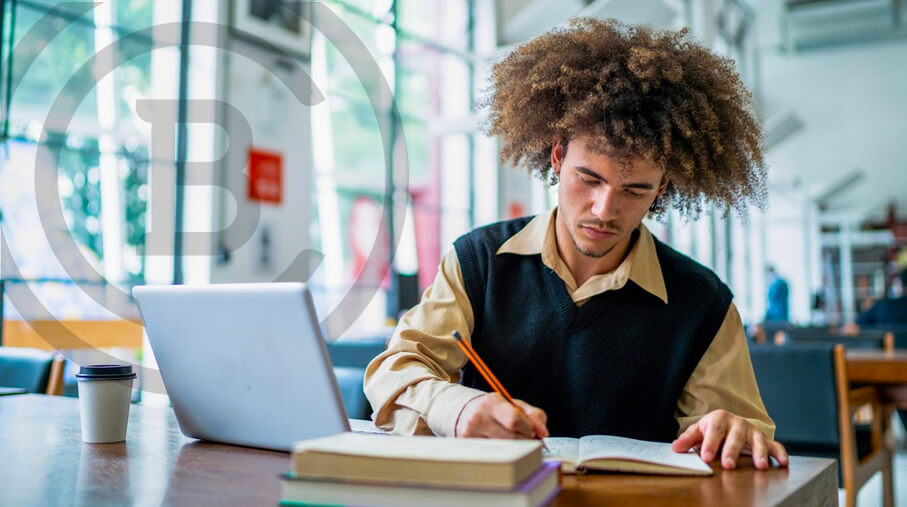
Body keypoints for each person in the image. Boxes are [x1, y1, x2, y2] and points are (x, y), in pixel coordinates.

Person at [364, 19, 787, 471]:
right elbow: (395, 370)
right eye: (590, 179)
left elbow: (739, 435)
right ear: (558, 156)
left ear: (662, 187)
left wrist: (734, 433)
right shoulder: (479, 263)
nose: (605, 209)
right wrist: (460, 408)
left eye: (635, 190)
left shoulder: (702, 302)